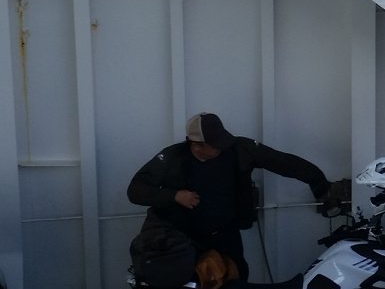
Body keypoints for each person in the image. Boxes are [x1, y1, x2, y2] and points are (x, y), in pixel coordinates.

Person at [125, 113, 333, 272]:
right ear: (196, 145)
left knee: (236, 281)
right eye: (216, 145)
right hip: (185, 239)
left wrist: (320, 185)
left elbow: (284, 163)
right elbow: (136, 190)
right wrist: (174, 196)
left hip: (226, 235)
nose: (222, 147)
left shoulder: (239, 148)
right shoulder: (172, 157)